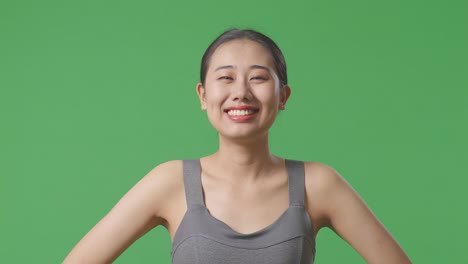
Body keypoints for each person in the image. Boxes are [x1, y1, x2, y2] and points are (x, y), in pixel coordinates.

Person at [64, 29, 412, 264]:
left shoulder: (318, 184)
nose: (241, 92)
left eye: (259, 77)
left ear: (283, 96)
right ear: (203, 95)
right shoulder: (169, 182)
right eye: (226, 77)